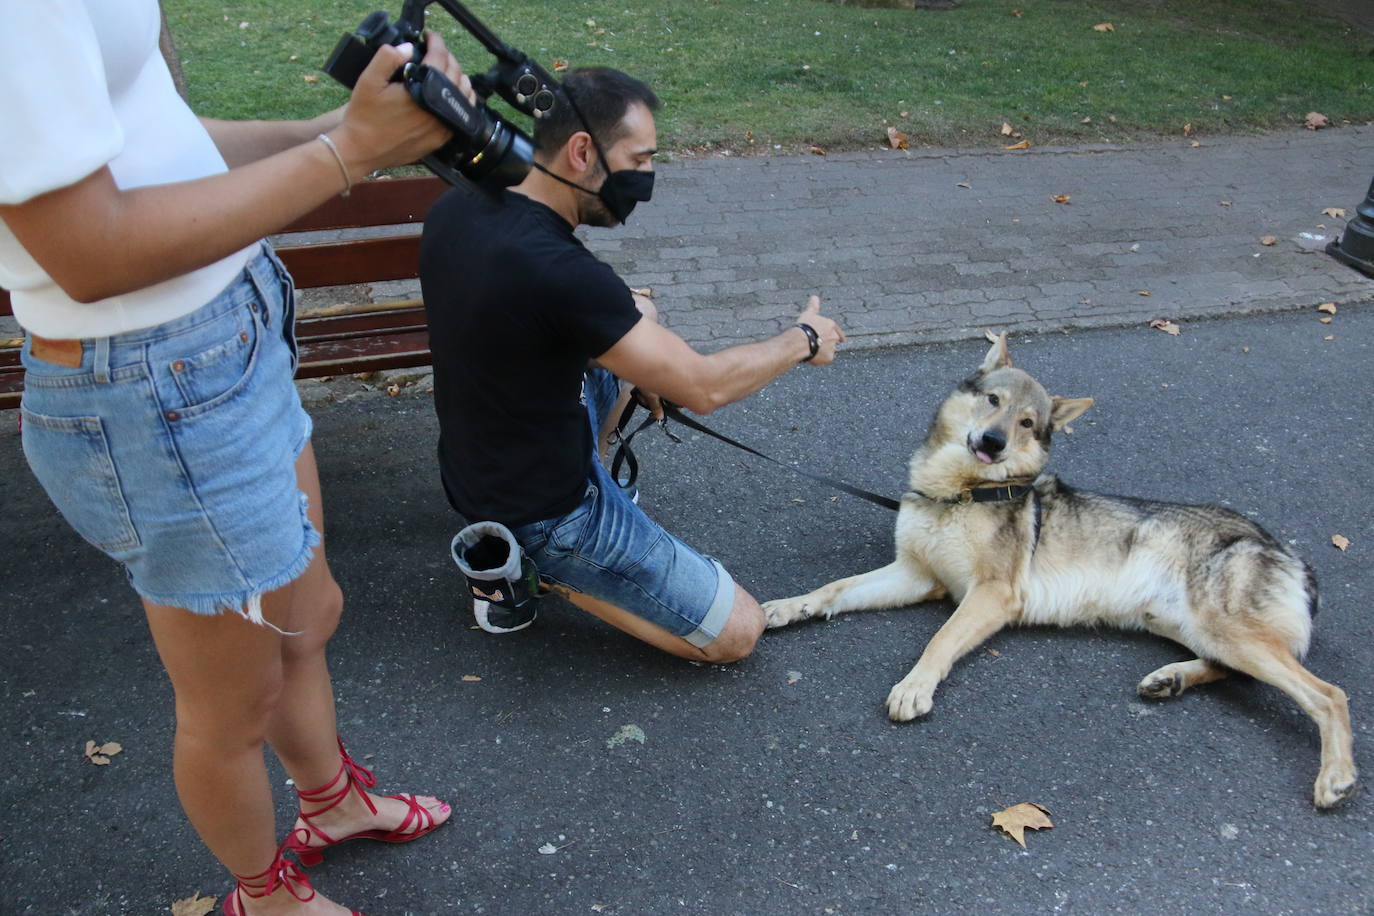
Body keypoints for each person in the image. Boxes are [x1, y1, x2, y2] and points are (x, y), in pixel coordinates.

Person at [0, 3, 474, 913]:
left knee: (309, 617)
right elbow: (89, 251)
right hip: (152, 387)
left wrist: (340, 129)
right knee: (232, 707)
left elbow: (151, 132)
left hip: (226, 341)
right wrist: (348, 156)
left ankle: (331, 805)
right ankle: (265, 897)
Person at [420, 67, 845, 664]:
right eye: (640, 160)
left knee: (636, 311)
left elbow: (573, 312)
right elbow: (704, 387)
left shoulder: (462, 206)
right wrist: (804, 337)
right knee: (739, 632)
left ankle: (578, 497)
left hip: (479, 461)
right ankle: (530, 565)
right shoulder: (560, 273)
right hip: (544, 511)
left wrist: (645, 360)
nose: (646, 177)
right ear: (581, 151)